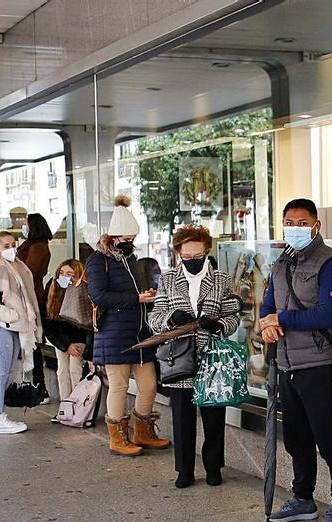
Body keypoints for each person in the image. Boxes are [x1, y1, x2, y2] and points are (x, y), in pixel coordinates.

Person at [261, 198, 332, 522]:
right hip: (287, 363)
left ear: (316, 225)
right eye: (290, 221)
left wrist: (281, 318)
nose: (295, 227)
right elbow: (267, 305)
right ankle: (303, 497)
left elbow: (328, 315)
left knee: (329, 437)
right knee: (297, 438)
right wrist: (267, 323)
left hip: (321, 364)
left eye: (302, 222)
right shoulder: (281, 263)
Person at [147, 226, 242, 488]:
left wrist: (220, 326)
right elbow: (154, 318)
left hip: (212, 357)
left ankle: (213, 467)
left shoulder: (221, 279)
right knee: (182, 418)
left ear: (206, 251)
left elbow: (234, 315)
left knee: (213, 417)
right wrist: (170, 319)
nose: (192, 260)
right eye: (186, 257)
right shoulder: (167, 280)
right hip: (179, 357)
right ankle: (184, 470)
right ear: (178, 254)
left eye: (197, 255)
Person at [85, 195, 169, 456]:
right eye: (125, 239)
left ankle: (142, 430)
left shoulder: (129, 258)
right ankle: (117, 436)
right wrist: (136, 298)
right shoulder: (98, 260)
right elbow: (97, 295)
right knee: (119, 385)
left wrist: (146, 295)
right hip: (114, 331)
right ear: (112, 237)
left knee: (149, 384)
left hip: (140, 329)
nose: (129, 244)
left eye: (132, 239)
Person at [0, 231, 43, 434]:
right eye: (5, 245)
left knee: (5, 374)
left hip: (13, 327)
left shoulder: (15, 265)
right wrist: (16, 315)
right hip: (2, 327)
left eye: (13, 244)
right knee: (1, 374)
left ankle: (0, 415)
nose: (11, 248)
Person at [41, 259, 95, 411]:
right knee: (62, 370)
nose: (65, 277)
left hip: (79, 338)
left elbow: (88, 322)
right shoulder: (53, 288)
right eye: (61, 273)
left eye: (70, 274)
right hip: (61, 338)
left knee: (74, 368)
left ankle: (78, 407)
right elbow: (49, 321)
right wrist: (65, 344)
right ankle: (65, 407)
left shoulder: (83, 289)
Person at [18, 213, 53, 401]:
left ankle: (40, 386)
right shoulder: (33, 246)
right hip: (27, 296)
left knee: (34, 342)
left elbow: (27, 273)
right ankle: (36, 384)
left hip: (31, 297)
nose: (24, 227)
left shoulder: (38, 248)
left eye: (26, 224)